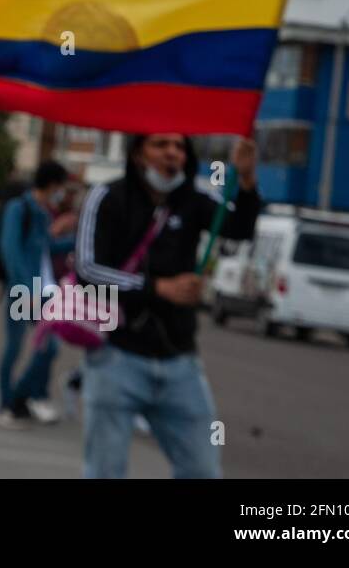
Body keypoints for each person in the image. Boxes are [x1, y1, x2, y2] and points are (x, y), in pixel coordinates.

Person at [76, 133, 260, 478]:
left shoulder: (196, 199)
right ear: (138, 155)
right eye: (161, 145)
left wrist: (247, 179)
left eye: (179, 146)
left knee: (203, 470)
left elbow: (239, 228)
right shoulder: (106, 197)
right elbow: (88, 271)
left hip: (180, 364)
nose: (172, 153)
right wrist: (157, 288)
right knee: (105, 471)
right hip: (116, 357)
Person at [0, 159, 72, 429]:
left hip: (44, 291)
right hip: (23, 291)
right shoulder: (19, 208)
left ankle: (22, 397)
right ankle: (7, 404)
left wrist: (77, 239)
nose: (62, 192)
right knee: (14, 348)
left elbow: (48, 247)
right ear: (52, 184)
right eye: (62, 186)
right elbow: (10, 250)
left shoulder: (42, 212)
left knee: (48, 347)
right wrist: (24, 288)